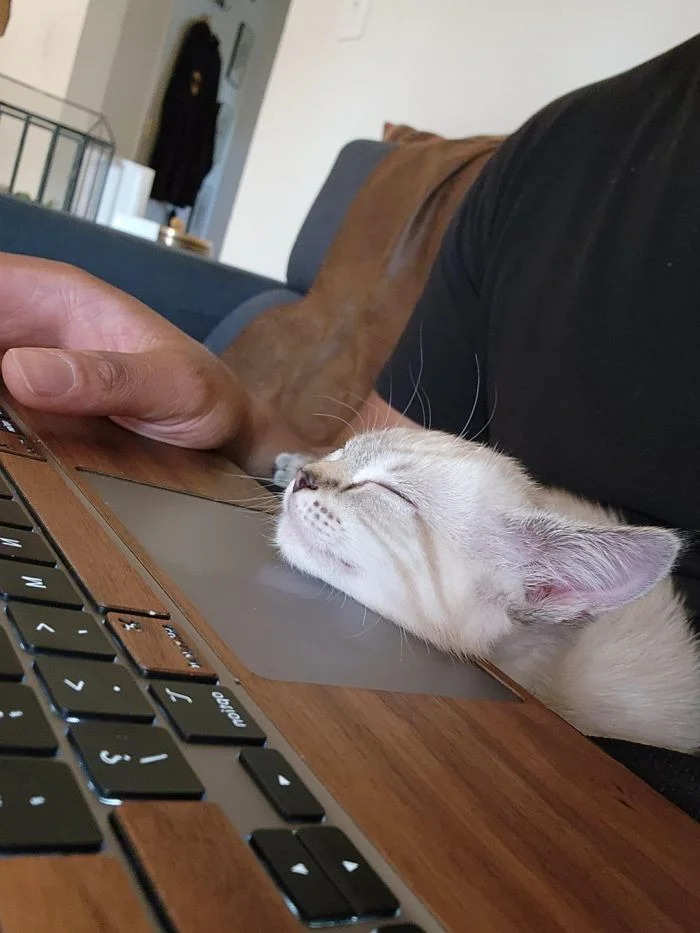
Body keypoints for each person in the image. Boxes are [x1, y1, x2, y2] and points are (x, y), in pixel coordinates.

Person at [1, 33, 699, 815]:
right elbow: (338, 464)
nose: (310, 482)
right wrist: (235, 420)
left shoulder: (628, 677)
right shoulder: (565, 147)